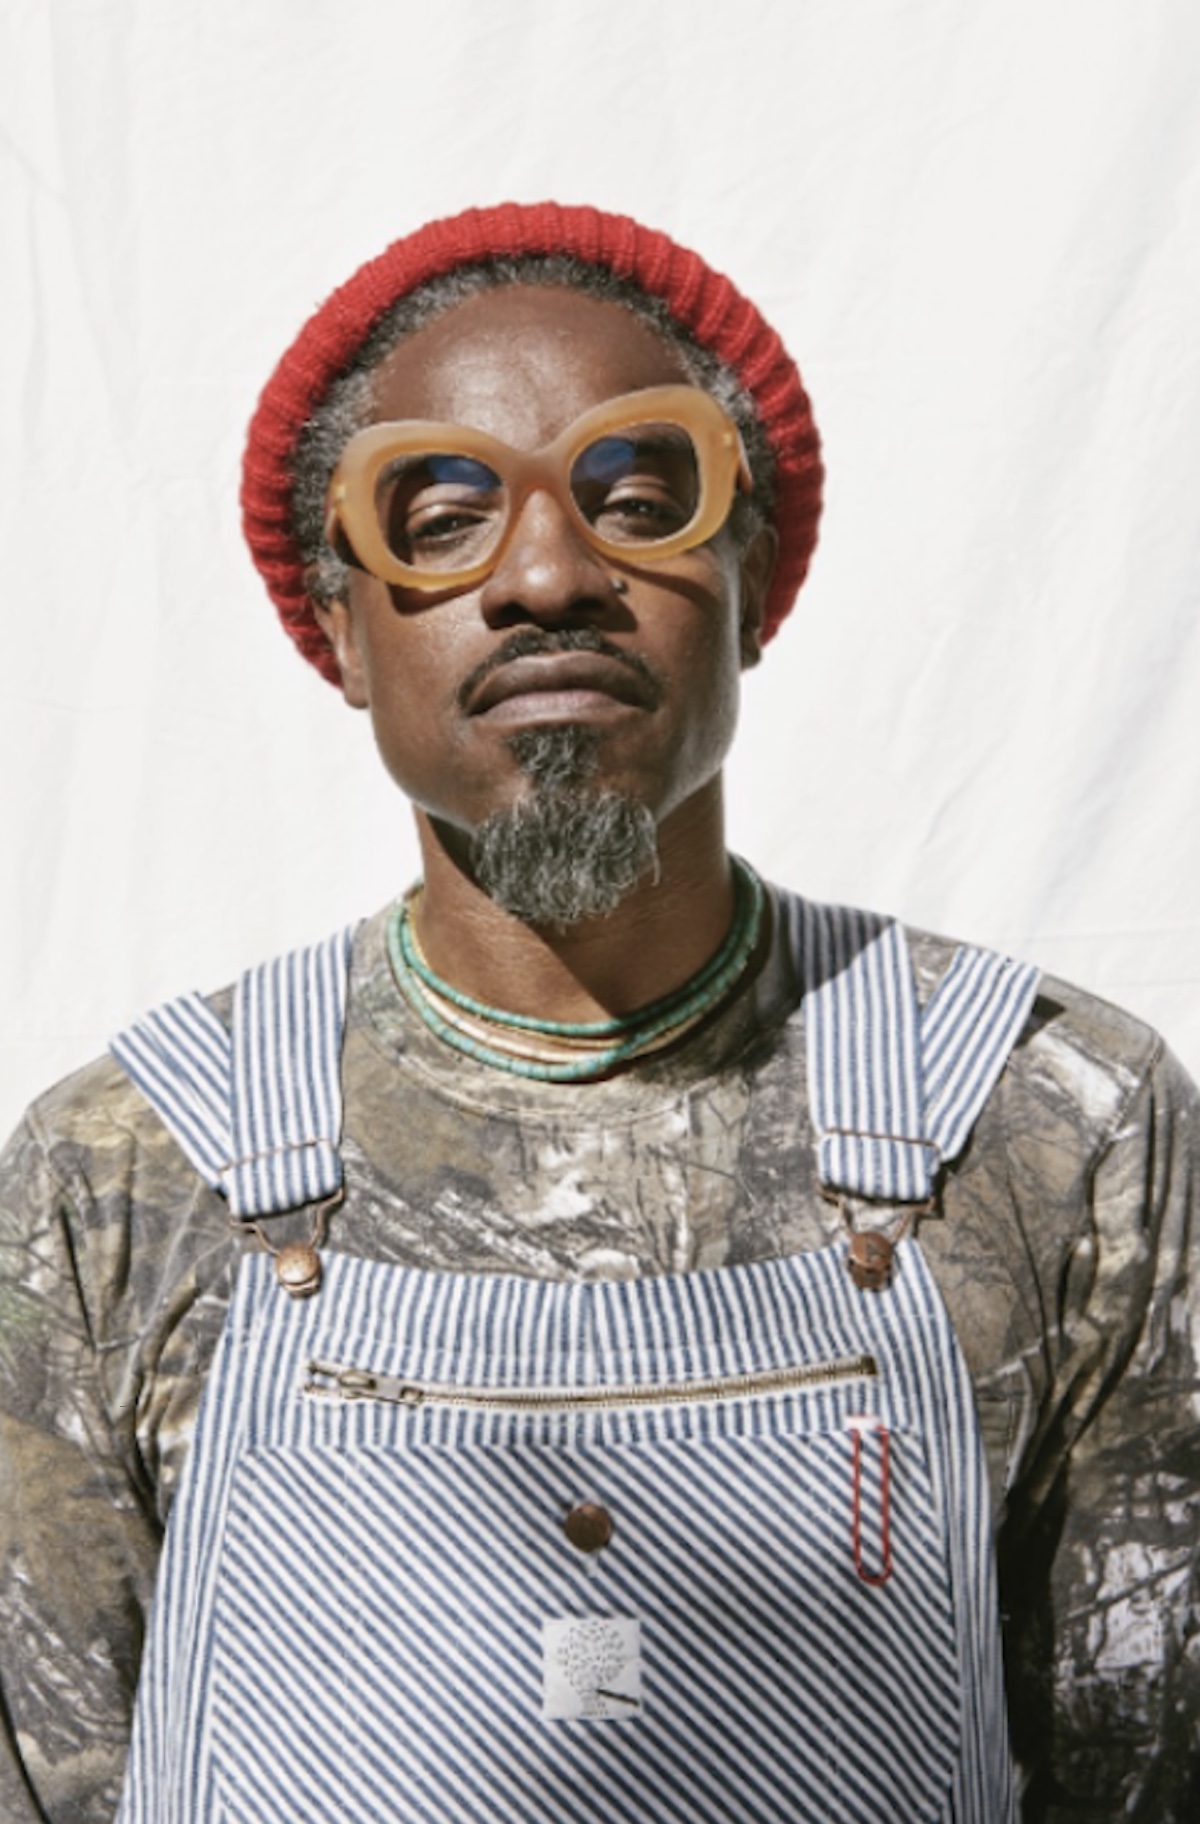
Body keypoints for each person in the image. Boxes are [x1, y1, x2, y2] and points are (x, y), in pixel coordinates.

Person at [0, 201, 1196, 1824]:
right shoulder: (123, 1177)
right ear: (341, 628)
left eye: (641, 501)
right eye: (442, 520)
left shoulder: (1054, 1127)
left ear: (750, 582)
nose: (551, 575)